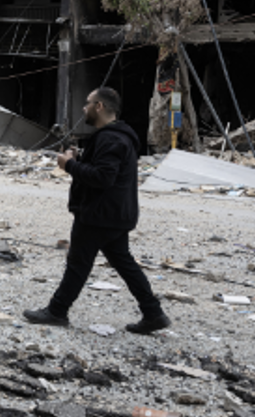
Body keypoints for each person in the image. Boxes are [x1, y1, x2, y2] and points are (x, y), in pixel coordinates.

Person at [24, 87, 171, 335]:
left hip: (98, 215)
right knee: (123, 262)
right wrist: (79, 158)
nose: (84, 108)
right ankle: (153, 313)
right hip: (114, 214)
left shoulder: (110, 139)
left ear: (99, 107)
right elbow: (106, 168)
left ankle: (57, 311)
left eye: (88, 103)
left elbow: (103, 178)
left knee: (78, 264)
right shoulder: (117, 136)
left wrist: (69, 165)